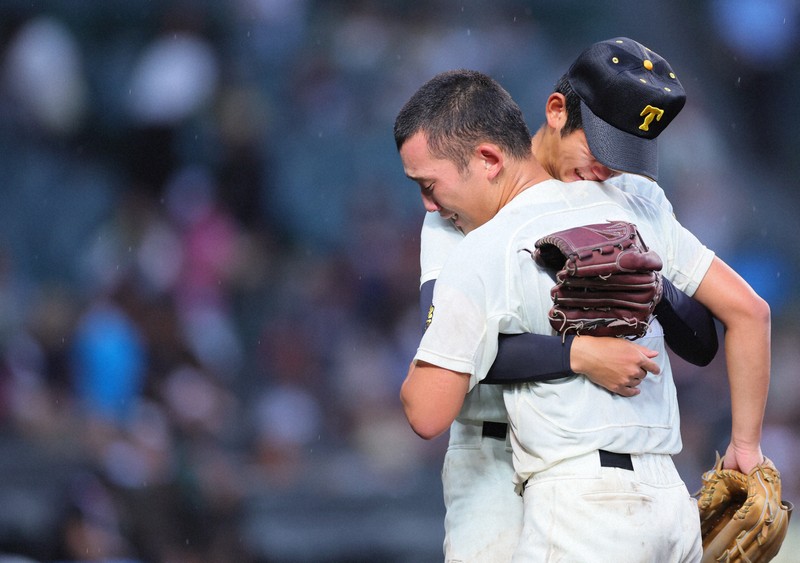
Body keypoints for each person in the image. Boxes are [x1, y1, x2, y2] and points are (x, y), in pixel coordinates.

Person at [395, 69, 770, 561]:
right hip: (505, 455)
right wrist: (577, 353)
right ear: (555, 113)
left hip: (579, 483)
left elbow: (707, 338)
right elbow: (451, 366)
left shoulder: (626, 202)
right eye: (600, 147)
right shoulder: (455, 216)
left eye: (624, 156)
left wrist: (650, 286)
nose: (607, 170)